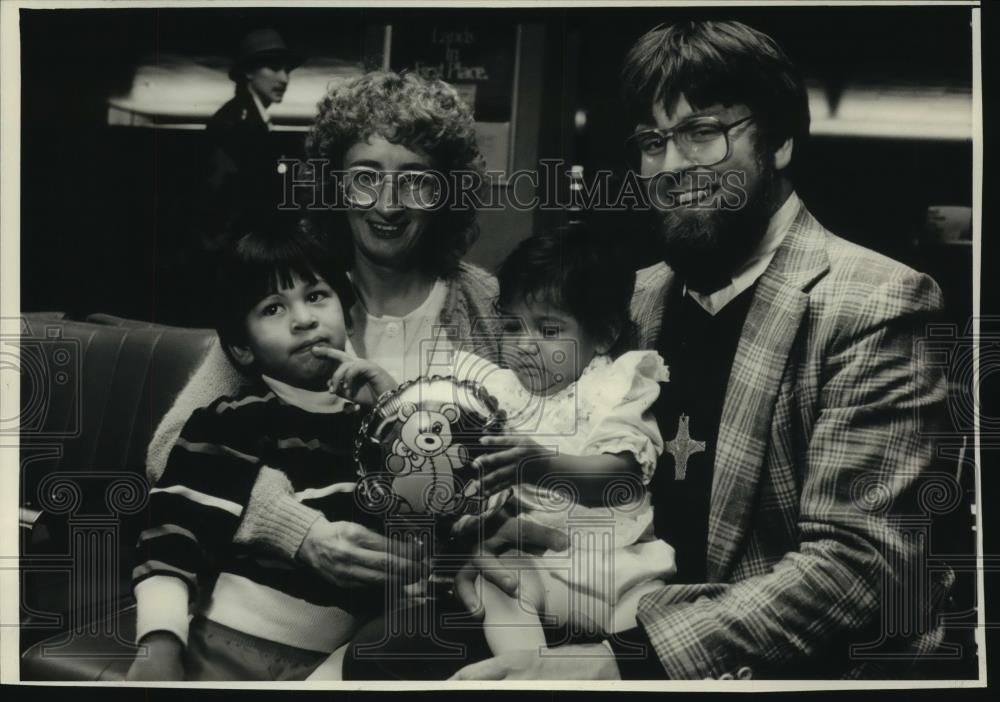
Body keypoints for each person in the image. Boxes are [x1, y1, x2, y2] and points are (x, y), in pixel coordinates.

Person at [451, 19, 951, 680]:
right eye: (654, 141)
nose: (673, 165)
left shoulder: (878, 302)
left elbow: (860, 569)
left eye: (703, 132)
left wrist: (623, 664)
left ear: (778, 143)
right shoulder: (633, 300)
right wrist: (518, 523)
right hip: (590, 618)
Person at [147, 71, 499, 593]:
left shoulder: (486, 305)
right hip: (281, 602)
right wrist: (298, 530)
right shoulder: (294, 301)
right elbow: (167, 449)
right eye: (365, 176)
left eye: (416, 179)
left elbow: (529, 452)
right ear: (335, 183)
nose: (387, 204)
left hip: (445, 601)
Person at [337, 224, 677, 679]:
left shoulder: (614, 386)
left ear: (603, 335)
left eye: (550, 329)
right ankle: (524, 674)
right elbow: (437, 431)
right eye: (514, 326)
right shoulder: (499, 389)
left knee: (644, 634)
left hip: (620, 569)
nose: (524, 345)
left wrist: (539, 463)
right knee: (498, 580)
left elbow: (620, 476)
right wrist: (391, 400)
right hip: (542, 568)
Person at [127, 228, 414, 681]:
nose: (303, 319)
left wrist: (395, 411)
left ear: (349, 319)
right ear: (242, 348)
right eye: (273, 308)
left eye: (317, 296)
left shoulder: (375, 428)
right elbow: (173, 534)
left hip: (338, 661)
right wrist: (159, 643)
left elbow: (438, 500)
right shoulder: (233, 419)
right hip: (225, 645)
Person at [199, 29, 303, 255]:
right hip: (238, 253)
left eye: (287, 70)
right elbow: (222, 201)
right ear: (248, 71)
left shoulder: (251, 118)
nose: (284, 79)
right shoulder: (235, 123)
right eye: (275, 68)